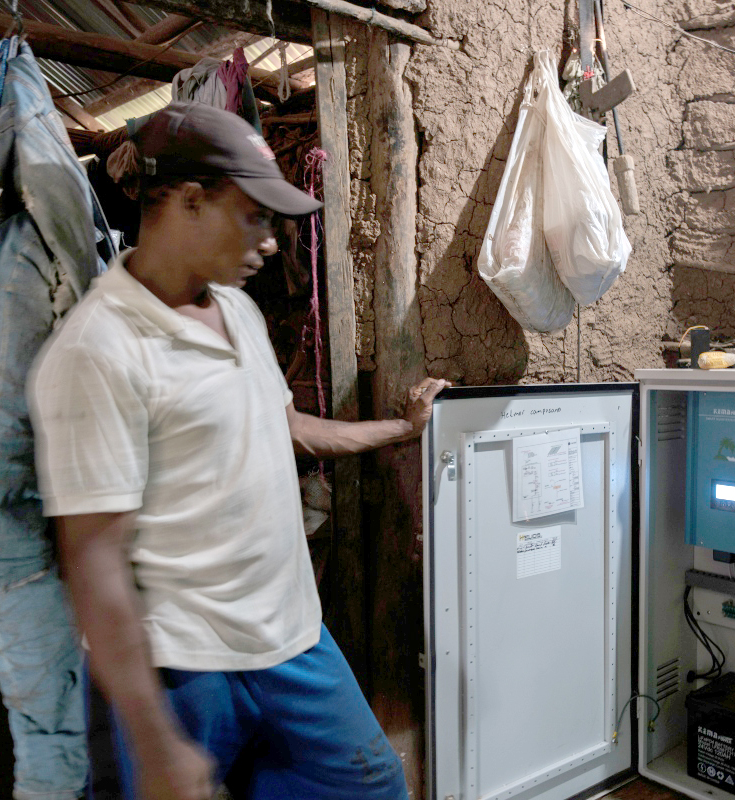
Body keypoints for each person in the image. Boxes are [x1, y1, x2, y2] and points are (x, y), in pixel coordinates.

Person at [28, 102, 449, 800]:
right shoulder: (98, 351)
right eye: (254, 216)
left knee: (375, 787)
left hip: (291, 637)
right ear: (190, 202)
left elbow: (287, 429)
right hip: (184, 667)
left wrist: (404, 431)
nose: (273, 242)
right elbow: (93, 560)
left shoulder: (239, 312)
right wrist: (152, 737)